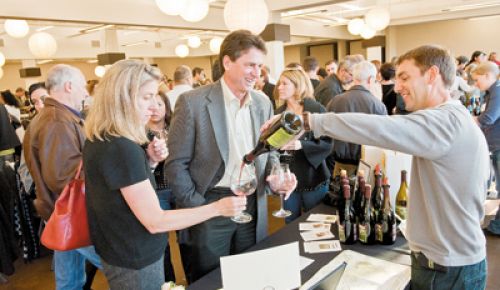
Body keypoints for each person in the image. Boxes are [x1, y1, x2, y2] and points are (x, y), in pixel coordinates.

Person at [273, 45, 488, 289]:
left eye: (405, 77)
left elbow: (380, 128)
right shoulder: (453, 118)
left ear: (431, 75)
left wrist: (311, 121)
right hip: (444, 262)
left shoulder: (445, 121)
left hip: (447, 268)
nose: (397, 87)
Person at [83, 59, 246, 290]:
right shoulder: (121, 147)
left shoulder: (101, 136)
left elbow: (119, 188)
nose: (152, 106)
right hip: (135, 254)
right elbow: (156, 221)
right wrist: (218, 208)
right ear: (122, 97)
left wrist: (148, 162)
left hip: (117, 246)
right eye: (146, 97)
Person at [165, 30, 296, 283]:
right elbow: (175, 165)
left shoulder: (262, 102)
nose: (257, 74)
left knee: (248, 276)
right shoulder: (192, 102)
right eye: (250, 65)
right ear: (227, 62)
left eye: (260, 66)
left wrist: (275, 178)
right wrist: (198, 206)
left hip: (252, 204)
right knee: (210, 278)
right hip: (211, 205)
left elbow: (268, 153)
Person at [23, 64, 103, 290]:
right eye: (82, 86)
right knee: (122, 267)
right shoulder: (57, 120)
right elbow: (64, 178)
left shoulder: (54, 117)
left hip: (61, 212)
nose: (86, 93)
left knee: (70, 280)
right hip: (74, 212)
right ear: (69, 86)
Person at [275, 67, 332, 223]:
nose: (279, 87)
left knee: (317, 225)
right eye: (279, 84)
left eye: (284, 84)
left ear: (297, 86)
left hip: (313, 178)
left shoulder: (316, 110)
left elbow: (328, 144)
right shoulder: (277, 114)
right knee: (289, 226)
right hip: (287, 180)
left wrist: (301, 144)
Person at [325, 61, 387, 173]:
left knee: (340, 190)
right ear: (370, 79)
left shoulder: (335, 101)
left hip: (338, 165)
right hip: (366, 167)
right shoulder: (377, 105)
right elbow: (383, 139)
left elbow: (325, 132)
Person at [146, 90, 176, 282]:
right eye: (151, 104)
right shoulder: (141, 132)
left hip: (180, 188)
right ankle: (168, 282)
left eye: (160, 104)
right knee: (160, 244)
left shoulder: (176, 127)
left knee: (187, 239)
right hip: (156, 191)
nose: (155, 108)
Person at [470, 61, 500, 235]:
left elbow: (488, 117)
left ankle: (497, 227)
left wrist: (470, 120)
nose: (476, 84)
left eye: (477, 79)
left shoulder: (497, 91)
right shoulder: (493, 91)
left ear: (487, 75)